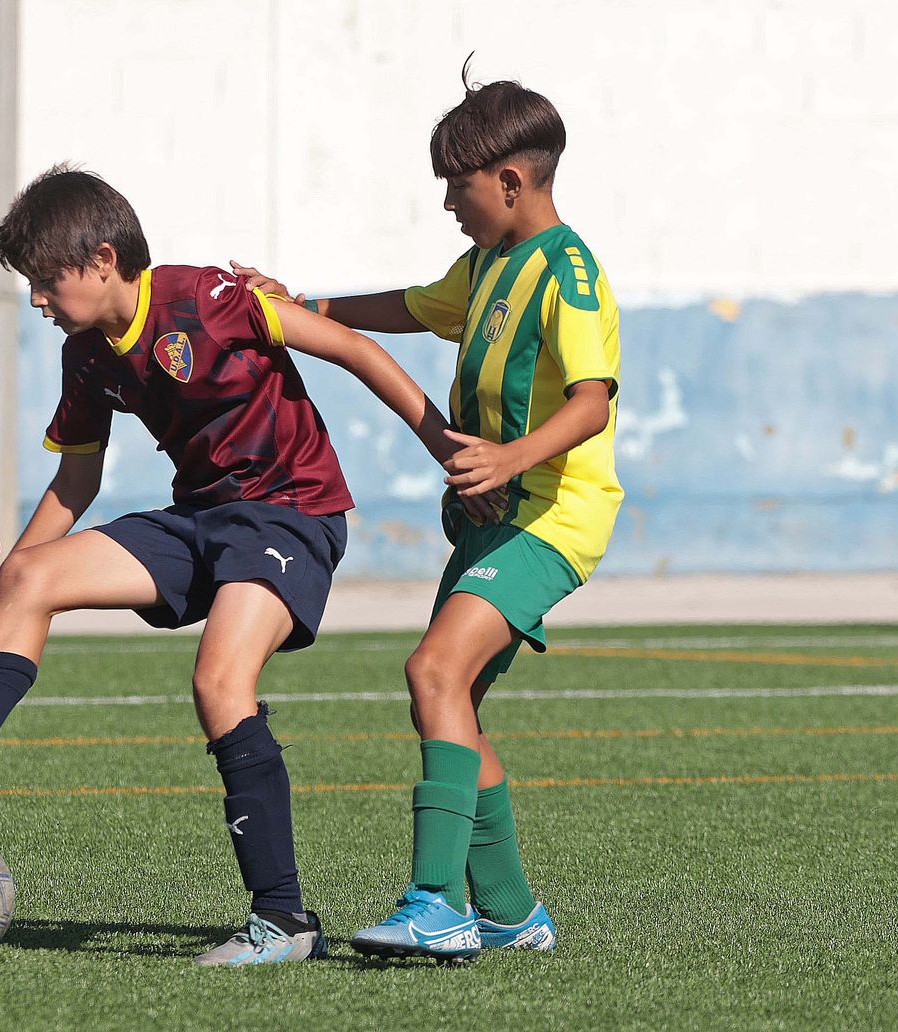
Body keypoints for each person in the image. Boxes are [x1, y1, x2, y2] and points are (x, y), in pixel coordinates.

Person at [0, 164, 468, 965]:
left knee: (218, 681)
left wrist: (443, 445)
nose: (36, 302)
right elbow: (76, 481)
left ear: (101, 258)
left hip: (291, 513)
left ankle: (283, 920)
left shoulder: (210, 300)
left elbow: (355, 350)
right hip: (199, 517)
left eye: (46, 283)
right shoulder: (87, 355)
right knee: (32, 577)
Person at [235, 70, 623, 962]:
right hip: (495, 517)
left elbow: (593, 402)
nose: (449, 201)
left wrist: (508, 457)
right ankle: (515, 914)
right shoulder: (488, 265)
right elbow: (410, 308)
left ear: (513, 182)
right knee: (456, 706)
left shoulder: (571, 273)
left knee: (431, 672)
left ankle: (436, 903)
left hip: (552, 518)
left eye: (460, 184)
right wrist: (296, 307)